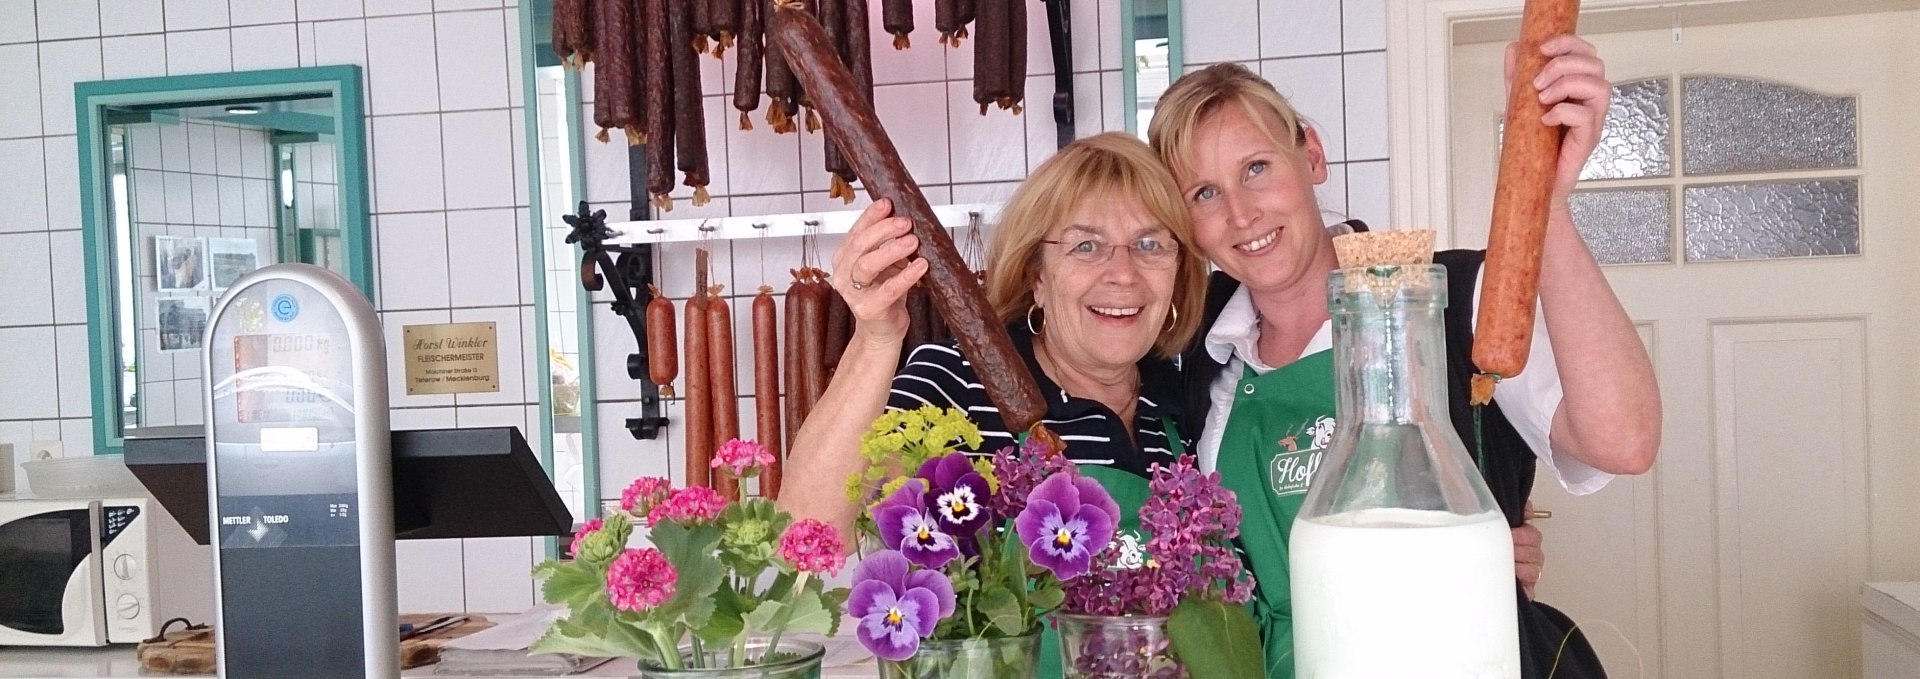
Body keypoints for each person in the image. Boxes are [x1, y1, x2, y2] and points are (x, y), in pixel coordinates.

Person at [1147, 35, 1659, 678]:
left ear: (1311, 154)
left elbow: (1623, 442)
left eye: (1256, 168)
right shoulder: (1196, 353)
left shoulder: (1450, 303)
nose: (1242, 213)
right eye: (1203, 194)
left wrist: (1546, 202)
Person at [778, 132, 1209, 543]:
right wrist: (876, 339)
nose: (1123, 274)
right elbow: (806, 532)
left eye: (1150, 245)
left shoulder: (1190, 400)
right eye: (1086, 247)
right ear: (1036, 275)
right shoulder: (956, 382)